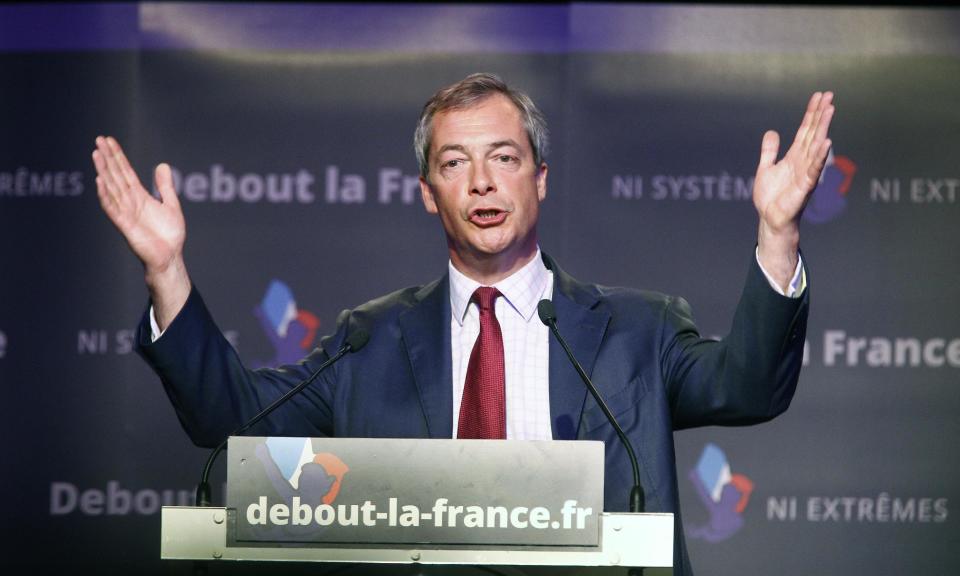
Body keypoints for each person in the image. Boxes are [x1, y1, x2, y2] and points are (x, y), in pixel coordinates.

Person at [92, 72, 834, 575]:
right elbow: (230, 418)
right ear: (427, 192)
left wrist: (778, 234)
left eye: (503, 157)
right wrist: (167, 270)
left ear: (539, 179)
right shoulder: (368, 341)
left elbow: (750, 387)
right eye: (455, 163)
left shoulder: (635, 332)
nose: (481, 181)